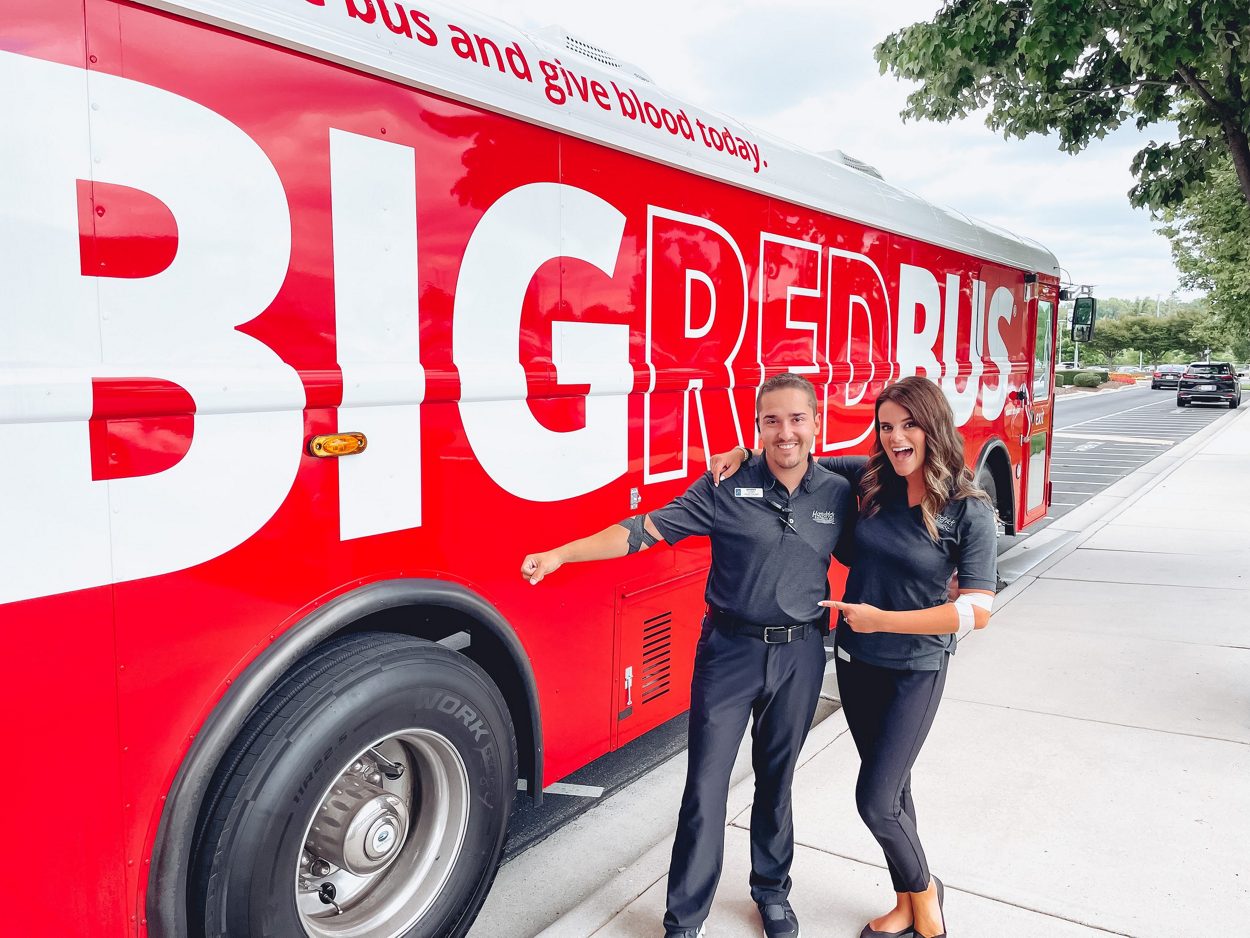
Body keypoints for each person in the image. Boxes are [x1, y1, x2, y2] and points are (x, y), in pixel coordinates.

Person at [521, 373, 856, 938]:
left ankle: (772, 893)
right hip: (729, 653)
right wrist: (562, 553)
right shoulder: (724, 486)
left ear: (817, 423)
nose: (786, 432)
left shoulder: (837, 491)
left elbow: (897, 466)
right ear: (756, 426)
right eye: (771, 420)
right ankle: (685, 917)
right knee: (704, 786)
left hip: (800, 656)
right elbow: (641, 531)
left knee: (777, 781)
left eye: (797, 418)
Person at [710, 375, 997, 938]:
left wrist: (883, 620)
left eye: (908, 425)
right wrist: (746, 451)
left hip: (916, 666)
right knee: (898, 791)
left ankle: (927, 892)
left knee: (876, 798)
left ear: (933, 424)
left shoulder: (968, 510)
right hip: (857, 663)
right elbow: (795, 454)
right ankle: (905, 900)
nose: (895, 438)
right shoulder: (869, 479)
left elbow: (976, 611)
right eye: (886, 427)